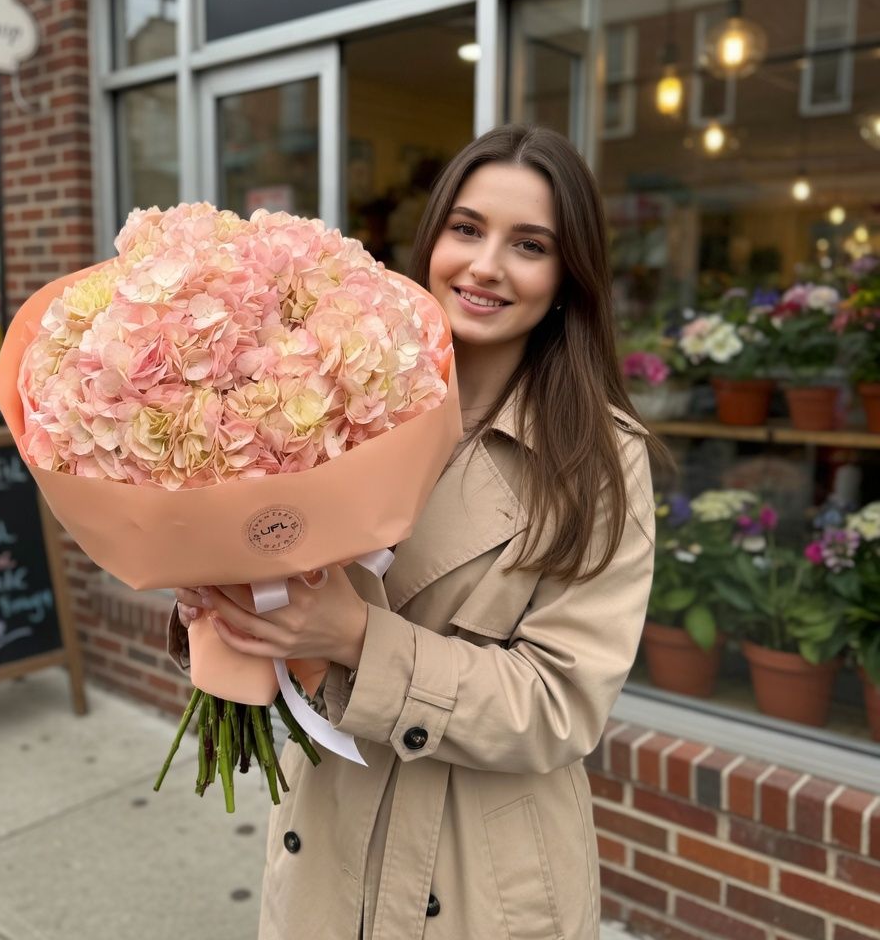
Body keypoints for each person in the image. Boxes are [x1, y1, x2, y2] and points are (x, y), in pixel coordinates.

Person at [170, 124, 666, 939]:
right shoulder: (326, 387)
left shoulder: (599, 457)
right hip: (323, 839)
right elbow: (275, 578)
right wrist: (225, 604)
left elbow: (562, 705)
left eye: (529, 245)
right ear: (432, 238)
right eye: (467, 229)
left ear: (568, 276)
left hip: (479, 877)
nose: (484, 265)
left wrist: (363, 638)